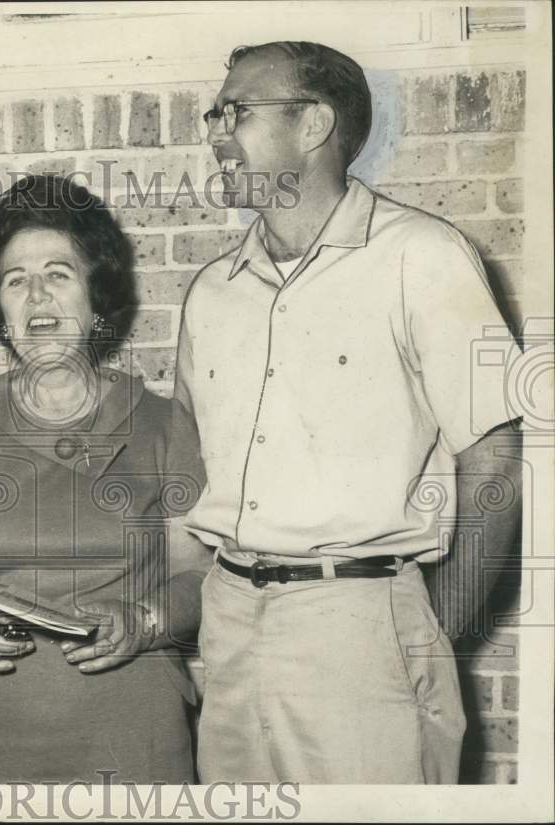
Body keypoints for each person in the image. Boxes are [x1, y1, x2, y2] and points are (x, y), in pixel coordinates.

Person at [177, 41, 522, 784]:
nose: (215, 133)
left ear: (314, 124)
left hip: (363, 629)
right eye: (214, 115)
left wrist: (429, 635)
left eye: (237, 112)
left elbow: (496, 465)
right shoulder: (212, 291)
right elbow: (183, 467)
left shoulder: (422, 256)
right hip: (230, 625)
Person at [0, 175, 210, 783]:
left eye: (58, 274)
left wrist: (144, 620)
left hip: (128, 733)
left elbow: (201, 577)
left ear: (96, 294)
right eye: (15, 280)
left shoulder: (163, 425)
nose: (37, 297)